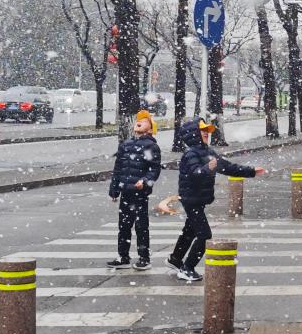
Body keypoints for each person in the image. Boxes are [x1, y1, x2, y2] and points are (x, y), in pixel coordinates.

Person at [166, 117, 266, 282]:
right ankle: (187, 268)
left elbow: (227, 167)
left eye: (207, 131)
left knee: (189, 231)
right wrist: (207, 168)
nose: (206, 133)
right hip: (191, 199)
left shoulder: (208, 152)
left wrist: (251, 171)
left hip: (198, 199)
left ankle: (175, 260)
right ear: (193, 134)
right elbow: (194, 174)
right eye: (203, 130)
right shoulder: (190, 154)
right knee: (204, 234)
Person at [107, 110, 163, 270]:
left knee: (141, 226)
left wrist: (144, 182)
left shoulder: (151, 146)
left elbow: (154, 170)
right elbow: (118, 169)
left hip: (140, 194)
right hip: (126, 192)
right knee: (123, 226)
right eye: (138, 120)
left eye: (144, 120)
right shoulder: (125, 145)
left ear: (151, 129)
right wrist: (114, 190)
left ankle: (144, 258)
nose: (139, 122)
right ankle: (123, 256)